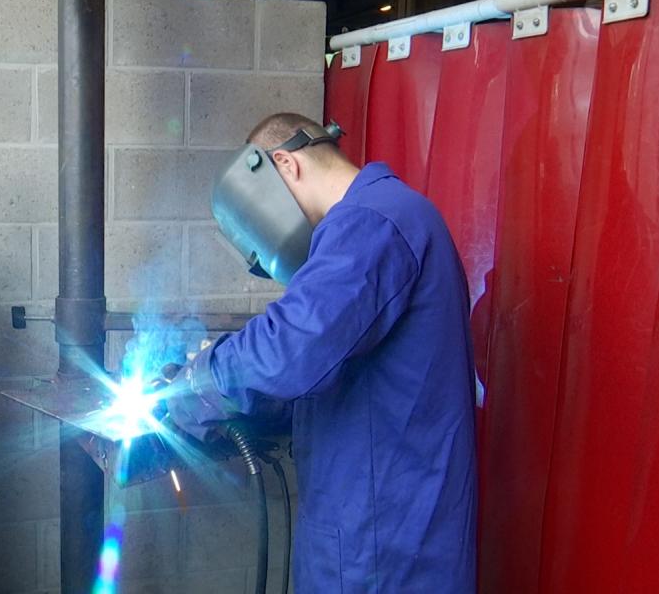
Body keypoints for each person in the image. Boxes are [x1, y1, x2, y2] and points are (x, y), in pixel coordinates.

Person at [167, 113, 477, 593]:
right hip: (377, 527)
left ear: (286, 164)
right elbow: (328, 361)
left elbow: (289, 348)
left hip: (381, 548)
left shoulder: (372, 222)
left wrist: (194, 384)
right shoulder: (390, 217)